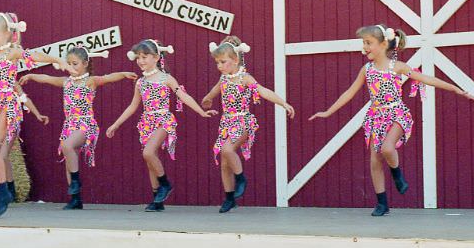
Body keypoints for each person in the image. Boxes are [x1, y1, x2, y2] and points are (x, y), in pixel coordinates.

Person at [310, 24, 474, 216]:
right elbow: (350, 92)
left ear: (382, 44)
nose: (364, 47)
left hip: (396, 113)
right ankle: (382, 203)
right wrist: (328, 111)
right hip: (375, 116)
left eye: (368, 43)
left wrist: (455, 89)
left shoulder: (397, 67)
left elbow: (426, 78)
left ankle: (397, 173)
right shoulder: (367, 69)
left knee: (387, 148)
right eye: (363, 43)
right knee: (375, 160)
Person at [0, 12, 69, 217]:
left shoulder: (12, 52)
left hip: (7, 103)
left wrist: (57, 60)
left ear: (8, 33)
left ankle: (4, 191)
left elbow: (35, 55)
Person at [19, 44, 136, 209]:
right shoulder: (65, 82)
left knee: (67, 145)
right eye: (69, 63)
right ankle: (75, 199)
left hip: (86, 124)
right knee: (69, 156)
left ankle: (75, 181)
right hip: (70, 125)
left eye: (75, 63)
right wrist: (31, 75)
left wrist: (123, 74)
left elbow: (109, 77)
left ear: (85, 63)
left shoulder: (91, 81)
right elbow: (46, 78)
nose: (71, 67)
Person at [106, 39, 217, 211]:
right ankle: (157, 200)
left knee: (148, 152)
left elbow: (183, 96)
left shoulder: (167, 78)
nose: (141, 61)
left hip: (163, 120)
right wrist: (115, 124)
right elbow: (133, 106)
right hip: (147, 122)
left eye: (145, 56)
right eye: (138, 57)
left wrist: (201, 112)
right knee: (151, 159)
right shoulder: (140, 82)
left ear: (156, 57)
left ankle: (165, 184)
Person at [201, 37, 295, 213]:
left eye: (223, 62)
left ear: (236, 60)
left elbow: (263, 91)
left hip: (243, 121)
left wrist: (283, 103)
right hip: (227, 123)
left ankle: (241, 178)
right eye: (217, 62)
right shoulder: (224, 79)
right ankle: (229, 198)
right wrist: (207, 100)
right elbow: (212, 93)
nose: (219, 66)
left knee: (227, 150)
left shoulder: (245, 78)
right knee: (224, 162)